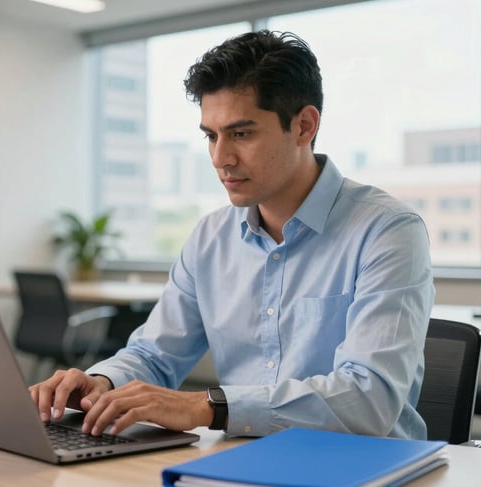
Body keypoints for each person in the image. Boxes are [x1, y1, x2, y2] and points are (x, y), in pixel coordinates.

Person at [30, 30, 434, 440]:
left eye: (241, 134)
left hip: (365, 467)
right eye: (211, 135)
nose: (220, 158)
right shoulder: (210, 237)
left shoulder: (386, 231)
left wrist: (207, 406)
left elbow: (369, 400)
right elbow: (153, 354)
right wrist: (102, 382)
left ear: (304, 126)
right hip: (241, 460)